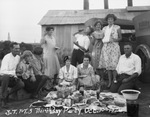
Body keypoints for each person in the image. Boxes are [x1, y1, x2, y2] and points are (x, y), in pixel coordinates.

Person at [98, 14, 122, 88]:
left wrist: (115, 40)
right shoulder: (104, 28)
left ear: (113, 20)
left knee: (114, 64)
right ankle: (109, 81)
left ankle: (114, 79)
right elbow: (101, 37)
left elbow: (120, 38)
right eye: (109, 19)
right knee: (108, 66)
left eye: (111, 19)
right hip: (106, 47)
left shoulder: (117, 27)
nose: (110, 20)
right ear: (107, 20)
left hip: (114, 47)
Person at [0, 42, 24, 108]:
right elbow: (2, 71)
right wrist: (15, 72)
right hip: (3, 77)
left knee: (21, 84)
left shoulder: (18, 58)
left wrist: (19, 72)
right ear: (11, 49)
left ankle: (7, 94)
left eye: (18, 48)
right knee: (6, 77)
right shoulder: (6, 57)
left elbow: (17, 69)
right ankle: (3, 100)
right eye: (16, 48)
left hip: (12, 77)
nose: (18, 50)